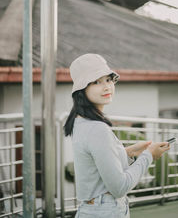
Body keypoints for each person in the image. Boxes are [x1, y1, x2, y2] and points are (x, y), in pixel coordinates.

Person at [64, 53, 170, 218]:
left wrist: (129, 153)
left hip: (93, 209)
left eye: (108, 79)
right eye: (97, 82)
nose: (106, 87)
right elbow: (119, 187)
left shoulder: (80, 121)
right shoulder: (97, 129)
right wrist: (148, 156)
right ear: (81, 90)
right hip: (106, 211)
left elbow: (97, 161)